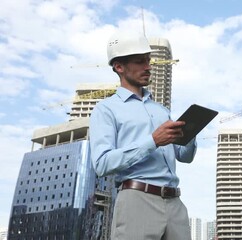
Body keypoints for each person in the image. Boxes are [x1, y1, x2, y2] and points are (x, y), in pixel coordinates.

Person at [89, 29, 197, 240]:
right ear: (119, 67)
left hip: (175, 204)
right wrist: (152, 141)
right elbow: (102, 164)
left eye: (148, 61)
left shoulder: (162, 110)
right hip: (137, 201)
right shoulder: (106, 109)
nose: (148, 67)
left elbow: (185, 156)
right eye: (140, 61)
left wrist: (191, 132)